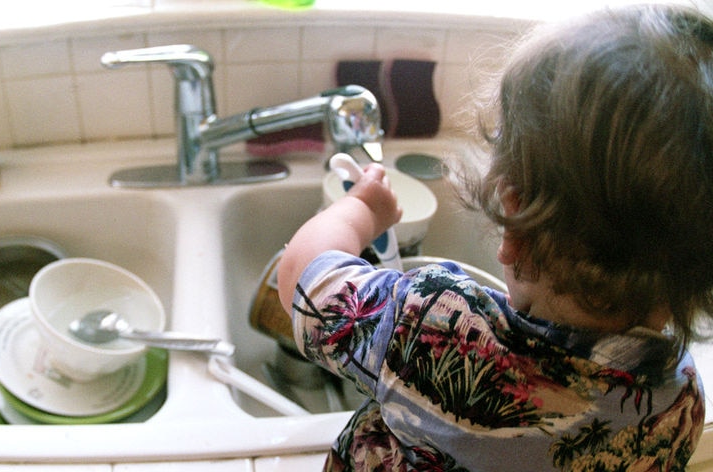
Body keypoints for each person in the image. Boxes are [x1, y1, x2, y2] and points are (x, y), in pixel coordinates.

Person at [276, 4, 712, 471]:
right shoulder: (681, 395)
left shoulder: (438, 327)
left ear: (516, 227)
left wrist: (361, 208)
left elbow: (304, 278)